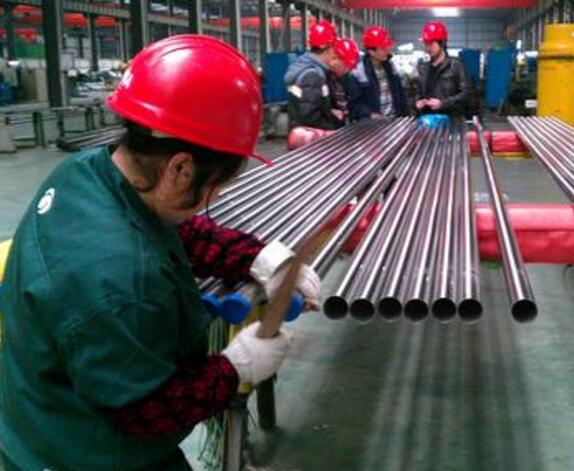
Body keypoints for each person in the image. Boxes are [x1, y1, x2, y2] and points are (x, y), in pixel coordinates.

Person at [0, 35, 321, 470]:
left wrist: (257, 257)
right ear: (181, 168)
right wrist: (234, 369)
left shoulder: (87, 173)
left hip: (35, 418)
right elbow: (148, 411)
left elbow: (179, 231)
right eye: (216, 186)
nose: (213, 198)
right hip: (81, 455)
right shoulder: (121, 282)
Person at [285, 20, 348, 129]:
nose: (334, 53)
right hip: (312, 135)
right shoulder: (312, 75)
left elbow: (311, 105)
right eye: (334, 49)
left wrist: (329, 111)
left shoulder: (307, 68)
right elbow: (309, 117)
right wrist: (333, 125)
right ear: (328, 49)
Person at [347, 26, 408, 121]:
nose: (387, 51)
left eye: (387, 47)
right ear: (371, 52)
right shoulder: (359, 73)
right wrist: (369, 114)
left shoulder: (391, 67)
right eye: (383, 48)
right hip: (373, 125)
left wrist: (404, 117)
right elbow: (354, 104)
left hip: (394, 121)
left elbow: (400, 96)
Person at [415, 21, 473, 118]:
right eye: (426, 44)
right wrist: (417, 103)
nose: (428, 48)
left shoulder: (456, 65)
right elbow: (418, 92)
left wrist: (443, 103)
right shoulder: (423, 68)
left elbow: (466, 94)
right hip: (428, 120)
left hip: (451, 120)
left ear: (442, 43)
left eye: (431, 44)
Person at [328, 38, 361, 124]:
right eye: (346, 65)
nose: (348, 70)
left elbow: (355, 105)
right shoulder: (322, 78)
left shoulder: (350, 79)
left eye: (350, 66)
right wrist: (329, 111)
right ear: (335, 59)